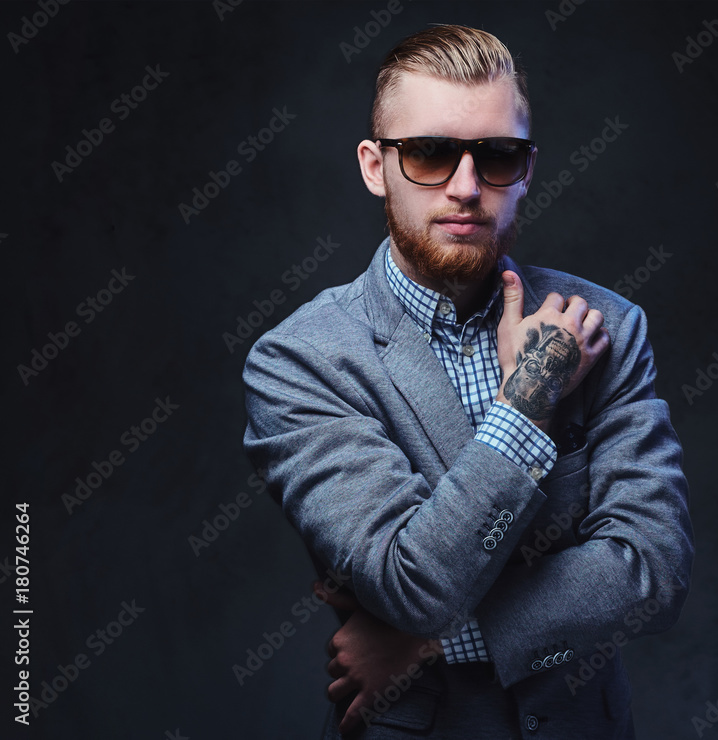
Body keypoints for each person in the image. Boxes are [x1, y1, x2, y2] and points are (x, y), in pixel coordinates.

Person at [242, 24, 694, 739]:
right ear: (373, 166)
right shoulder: (301, 360)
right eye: (427, 152)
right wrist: (530, 397)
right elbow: (409, 582)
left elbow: (653, 571)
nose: (464, 187)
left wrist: (425, 642)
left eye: (498, 157)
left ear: (528, 167)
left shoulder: (608, 324)